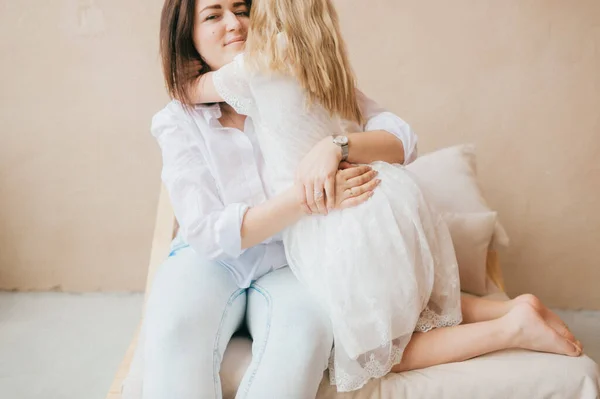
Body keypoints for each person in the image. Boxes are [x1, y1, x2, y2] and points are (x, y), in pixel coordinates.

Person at [135, 0, 582, 398]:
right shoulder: (181, 116)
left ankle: (512, 321)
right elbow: (210, 232)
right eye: (213, 15)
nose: (233, 23)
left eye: (242, 9)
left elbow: (403, 137)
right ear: (187, 35)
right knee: (176, 334)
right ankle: (509, 318)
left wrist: (339, 146)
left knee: (307, 342)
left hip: (291, 262)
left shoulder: (293, 73)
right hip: (216, 259)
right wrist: (309, 196)